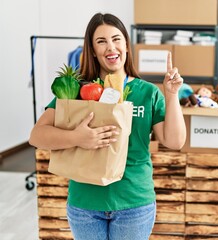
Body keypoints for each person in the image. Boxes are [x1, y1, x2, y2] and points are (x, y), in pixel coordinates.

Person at [29, 13, 186, 240]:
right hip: (85, 204)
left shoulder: (148, 92)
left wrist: (171, 95)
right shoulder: (78, 91)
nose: (111, 47)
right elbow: (37, 136)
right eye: (101, 41)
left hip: (134, 203)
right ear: (92, 50)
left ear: (126, 45)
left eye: (116, 39)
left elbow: (175, 141)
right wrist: (78, 138)